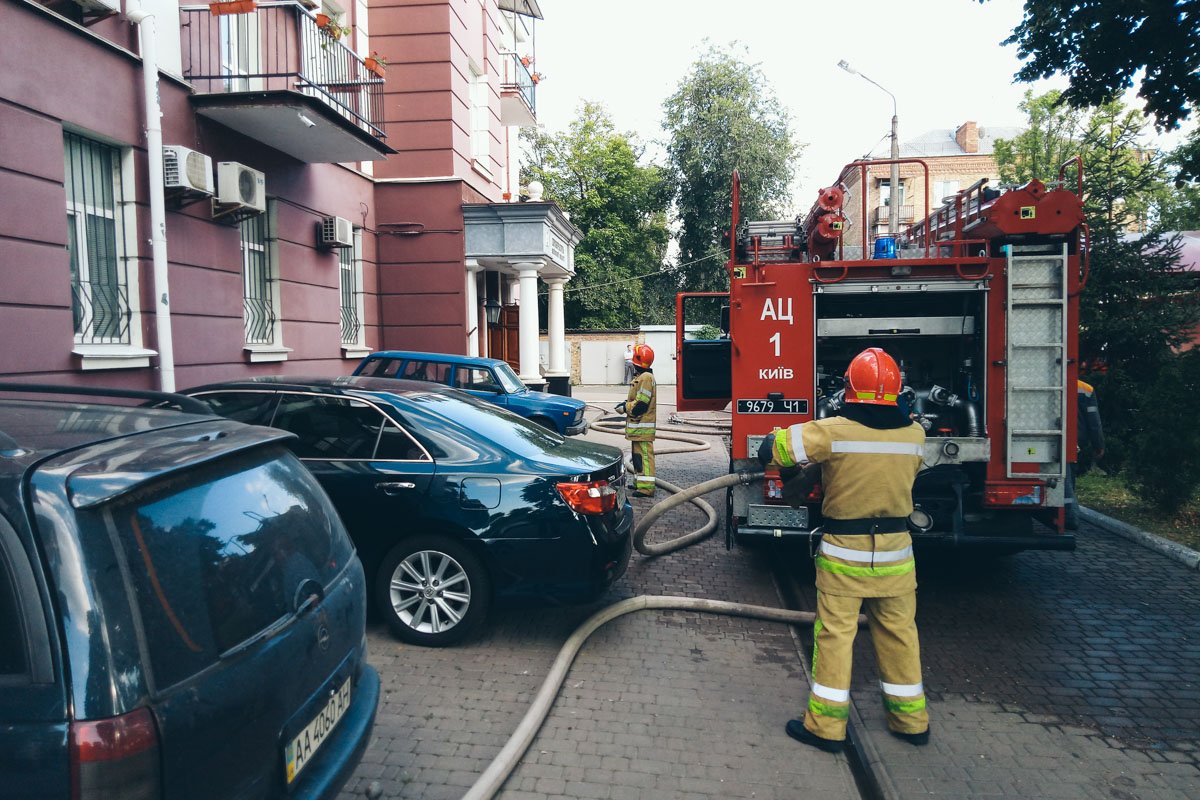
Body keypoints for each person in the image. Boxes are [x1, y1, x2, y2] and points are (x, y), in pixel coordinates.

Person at [758, 347, 930, 753]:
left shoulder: (832, 431)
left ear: (850, 389)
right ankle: (911, 722)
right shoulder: (915, 435)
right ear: (896, 392)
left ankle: (825, 727)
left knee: (836, 636)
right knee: (900, 634)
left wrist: (788, 466)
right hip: (896, 555)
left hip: (844, 554)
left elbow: (772, 449)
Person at [616, 344, 656, 497]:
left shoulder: (645, 378)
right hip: (638, 428)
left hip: (643, 428)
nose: (632, 364)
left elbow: (641, 404)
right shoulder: (641, 377)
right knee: (638, 458)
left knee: (644, 458)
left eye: (634, 361)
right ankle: (639, 483)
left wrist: (625, 407)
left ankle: (647, 488)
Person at [1065, 379, 1106, 530]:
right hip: (1074, 442)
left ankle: (1066, 514)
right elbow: (1094, 421)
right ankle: (1067, 515)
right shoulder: (1085, 389)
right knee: (1069, 478)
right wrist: (1098, 445)